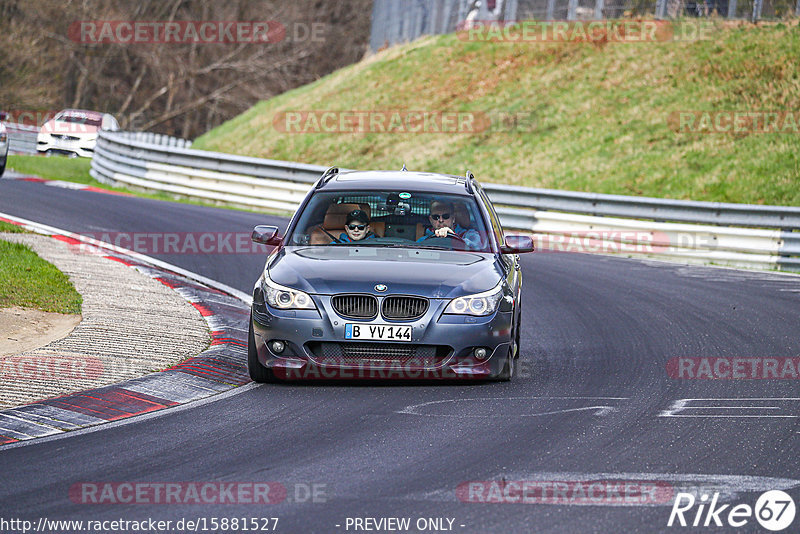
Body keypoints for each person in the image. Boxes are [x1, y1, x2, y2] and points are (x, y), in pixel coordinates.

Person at [418, 200, 483, 250]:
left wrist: (453, 238)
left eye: (445, 216)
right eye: (436, 217)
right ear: (431, 220)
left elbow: (478, 247)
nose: (441, 220)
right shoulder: (423, 241)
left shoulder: (468, 235)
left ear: (453, 218)